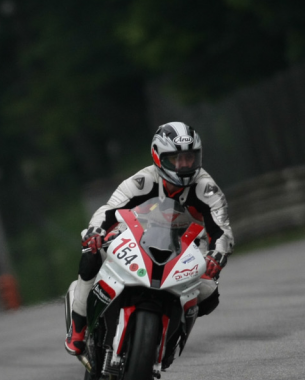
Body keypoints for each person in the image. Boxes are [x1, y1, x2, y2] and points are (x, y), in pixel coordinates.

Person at [64, 121, 234, 356]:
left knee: (208, 294)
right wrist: (96, 231)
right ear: (158, 156)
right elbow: (109, 210)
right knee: (92, 253)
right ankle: (79, 325)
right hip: (138, 236)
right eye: (176, 159)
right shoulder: (142, 180)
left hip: (188, 245)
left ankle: (173, 337)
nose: (184, 165)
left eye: (190, 157)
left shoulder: (207, 188)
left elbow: (222, 229)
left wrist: (218, 254)